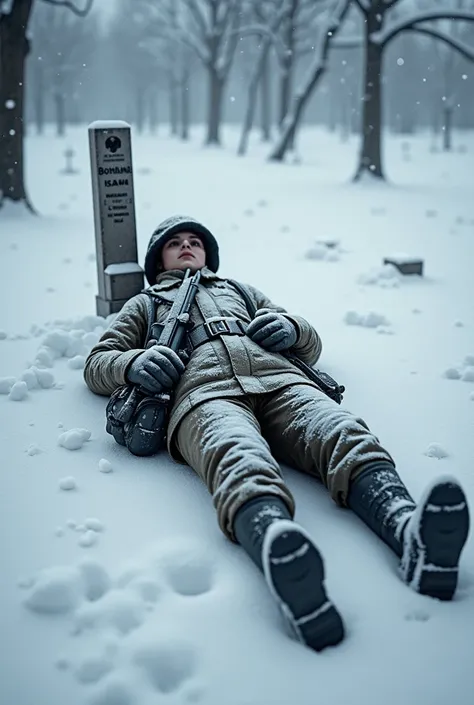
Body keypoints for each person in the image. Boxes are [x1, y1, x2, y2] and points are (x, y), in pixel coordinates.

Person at [84, 215, 470, 652]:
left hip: (282, 380)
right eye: (176, 243)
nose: (188, 246)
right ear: (158, 262)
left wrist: (293, 329)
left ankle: (407, 528)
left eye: (196, 241)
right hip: (204, 395)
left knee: (342, 433)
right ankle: (279, 549)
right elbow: (99, 362)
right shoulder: (145, 302)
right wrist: (134, 364)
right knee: (236, 456)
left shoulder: (241, 291)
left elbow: (309, 342)